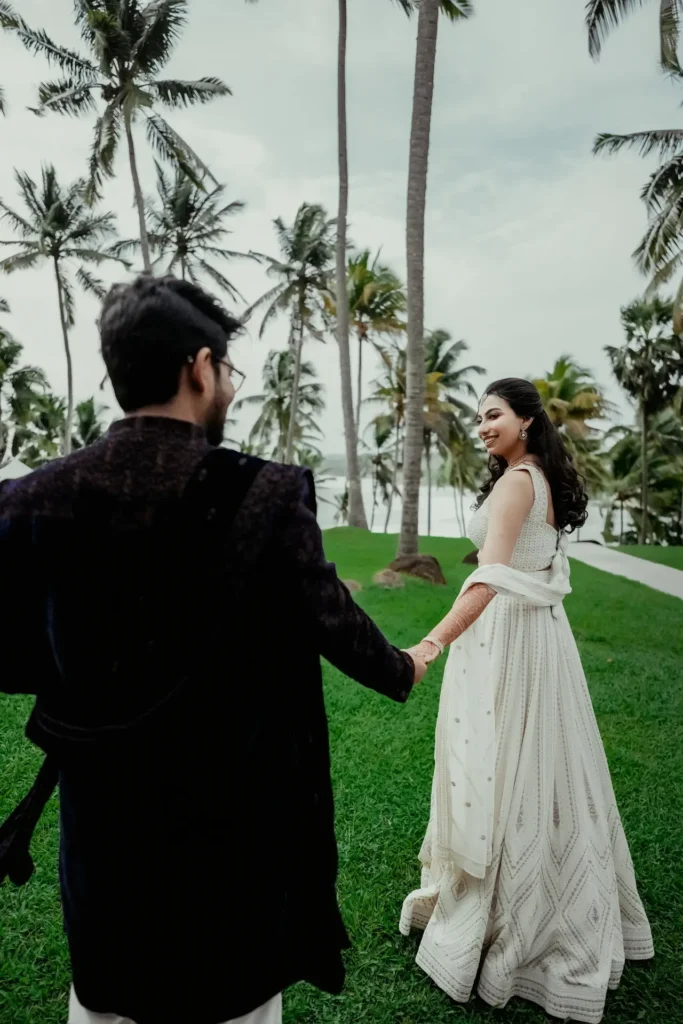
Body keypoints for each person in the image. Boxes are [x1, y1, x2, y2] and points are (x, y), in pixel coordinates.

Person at [0, 274, 427, 1024]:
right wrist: (404, 665)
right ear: (201, 368)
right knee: (233, 999)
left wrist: (75, 678)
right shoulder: (264, 494)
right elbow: (332, 620)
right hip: (234, 825)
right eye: (227, 370)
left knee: (110, 996)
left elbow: (7, 650)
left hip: (104, 830)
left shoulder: (33, 498)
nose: (227, 384)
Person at [400, 378, 653, 1024]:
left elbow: (486, 581)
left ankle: (511, 919)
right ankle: (552, 892)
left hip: (512, 637)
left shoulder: (516, 483)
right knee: (540, 773)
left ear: (526, 421)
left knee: (506, 768)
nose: (482, 426)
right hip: (540, 639)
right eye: (479, 417)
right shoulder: (533, 476)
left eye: (493, 415)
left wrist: (430, 644)